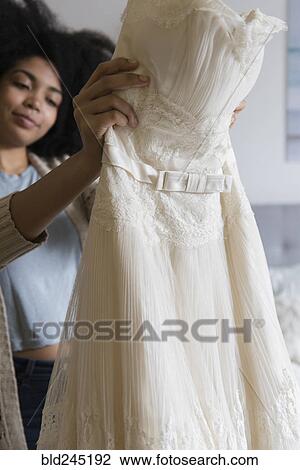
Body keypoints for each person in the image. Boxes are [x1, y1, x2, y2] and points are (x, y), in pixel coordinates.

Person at [37, 0, 300, 451]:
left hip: (203, 214)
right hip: (137, 219)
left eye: (49, 94)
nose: (37, 103)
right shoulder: (67, 170)